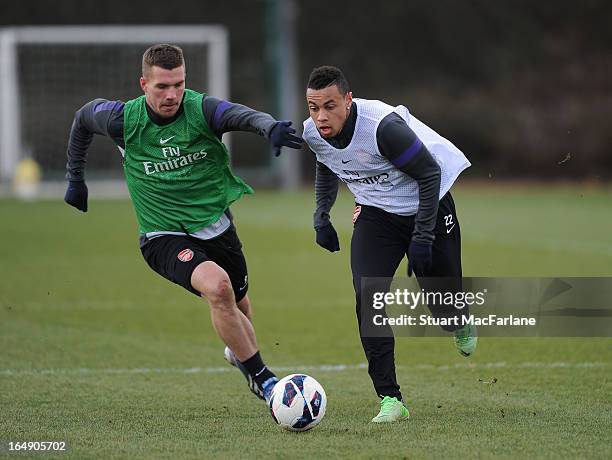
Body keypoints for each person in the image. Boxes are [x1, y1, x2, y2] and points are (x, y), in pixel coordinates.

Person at [63, 44, 303, 404]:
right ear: (144, 84)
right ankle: (264, 380)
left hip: (217, 227)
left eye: (178, 84)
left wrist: (268, 127)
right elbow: (83, 118)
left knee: (240, 305)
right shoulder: (121, 119)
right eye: (162, 86)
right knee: (218, 288)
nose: (172, 94)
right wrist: (75, 179)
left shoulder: (201, 110)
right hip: (162, 235)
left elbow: (241, 115)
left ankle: (238, 353)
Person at [302, 66, 477, 423]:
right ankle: (390, 398)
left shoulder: (384, 128)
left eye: (330, 106)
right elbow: (326, 162)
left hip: (428, 204)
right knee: (368, 296)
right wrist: (322, 215)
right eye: (313, 107)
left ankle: (459, 321)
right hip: (377, 215)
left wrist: (423, 237)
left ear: (348, 101)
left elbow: (429, 175)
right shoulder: (313, 132)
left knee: (442, 304)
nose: (321, 116)